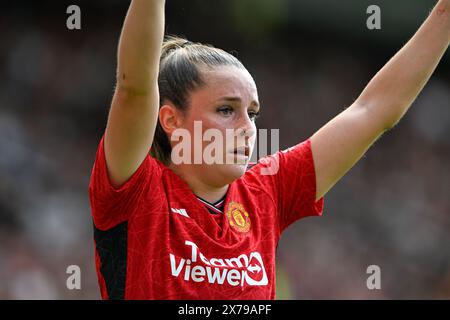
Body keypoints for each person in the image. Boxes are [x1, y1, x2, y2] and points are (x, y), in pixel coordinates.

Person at [88, 0, 450, 299]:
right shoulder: (137, 191)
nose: (248, 128)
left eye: (253, 113)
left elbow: (373, 111)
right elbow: (134, 87)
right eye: (226, 110)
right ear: (170, 119)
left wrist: (444, 18)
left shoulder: (267, 191)